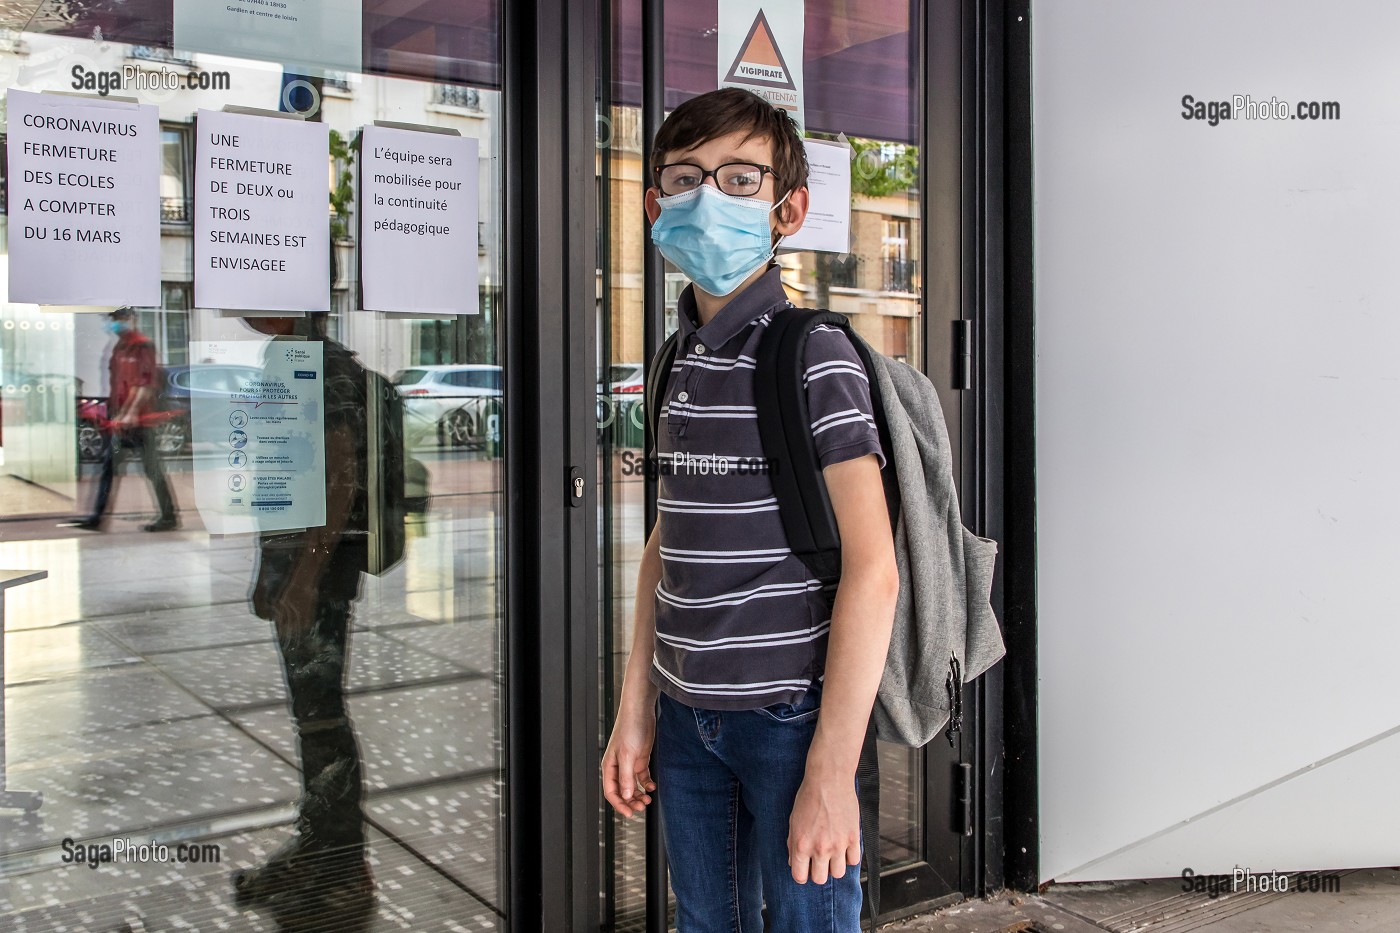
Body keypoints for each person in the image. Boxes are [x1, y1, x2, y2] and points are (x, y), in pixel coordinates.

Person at [601, 88, 900, 932]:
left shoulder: (813, 354)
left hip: (790, 719)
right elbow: (667, 542)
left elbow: (875, 570)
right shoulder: (674, 360)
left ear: (788, 208)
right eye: (687, 179)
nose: (709, 198)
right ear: (655, 206)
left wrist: (832, 773)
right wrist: (636, 711)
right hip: (688, 723)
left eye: (740, 178)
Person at [231, 312, 375, 928]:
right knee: (311, 717)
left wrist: (305, 577)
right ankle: (318, 847)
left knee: (322, 720)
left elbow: (341, 473)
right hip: (293, 569)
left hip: (315, 577)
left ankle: (343, 865)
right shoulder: (286, 357)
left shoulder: (324, 364)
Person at [62, 306, 179, 532]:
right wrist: (117, 415)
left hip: (139, 423)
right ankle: (97, 518)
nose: (114, 323)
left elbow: (144, 384)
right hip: (123, 422)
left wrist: (130, 414)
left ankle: (168, 517)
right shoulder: (119, 346)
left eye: (118, 319)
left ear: (130, 319)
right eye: (113, 319)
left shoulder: (141, 345)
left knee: (151, 470)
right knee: (110, 468)